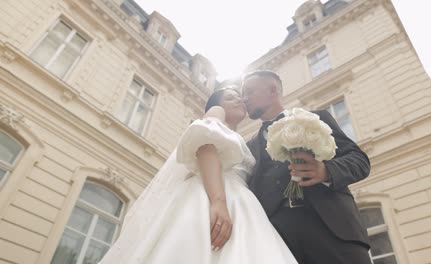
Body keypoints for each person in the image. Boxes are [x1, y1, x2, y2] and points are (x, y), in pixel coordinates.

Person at [100, 87, 297, 264]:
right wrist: (218, 202)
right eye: (230, 97)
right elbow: (205, 146)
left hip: (241, 201)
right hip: (215, 194)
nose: (239, 100)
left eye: (240, 97)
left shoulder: (239, 138)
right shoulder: (215, 114)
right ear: (217, 105)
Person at [242, 70, 372, 264]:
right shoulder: (249, 147)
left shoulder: (316, 119)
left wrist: (327, 171)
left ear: (272, 90)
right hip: (278, 241)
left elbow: (359, 160)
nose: (244, 99)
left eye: (249, 91)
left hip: (332, 228)